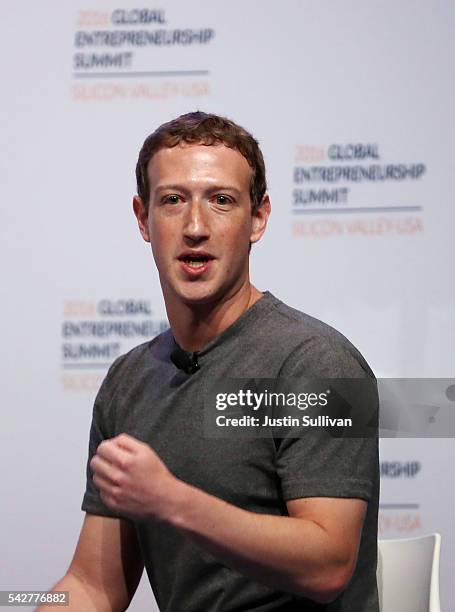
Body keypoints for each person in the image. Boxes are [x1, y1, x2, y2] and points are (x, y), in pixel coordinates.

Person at [41, 112, 379, 611]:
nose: (195, 227)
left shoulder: (320, 363)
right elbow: (93, 585)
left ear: (258, 219)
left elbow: (327, 566)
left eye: (221, 201)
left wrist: (172, 502)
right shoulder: (128, 381)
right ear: (143, 219)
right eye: (173, 201)